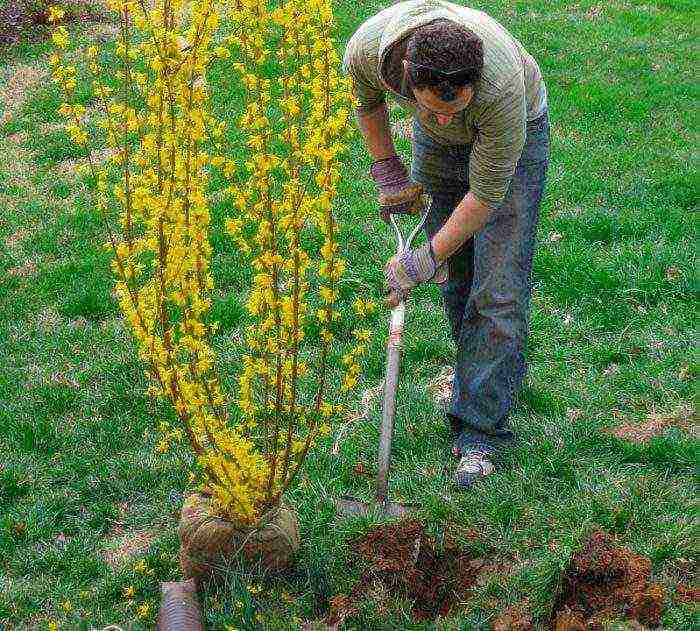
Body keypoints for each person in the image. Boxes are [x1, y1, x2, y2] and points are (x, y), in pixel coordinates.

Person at [342, 0, 550, 489]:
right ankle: (476, 383)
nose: (437, 120)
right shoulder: (370, 51)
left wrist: (425, 256)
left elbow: (485, 196)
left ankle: (480, 432)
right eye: (429, 110)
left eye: (451, 109)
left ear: (473, 87)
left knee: (497, 285)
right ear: (410, 81)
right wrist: (388, 169)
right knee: (458, 278)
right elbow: (368, 103)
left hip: (514, 135)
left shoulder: (500, 92)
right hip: (441, 150)